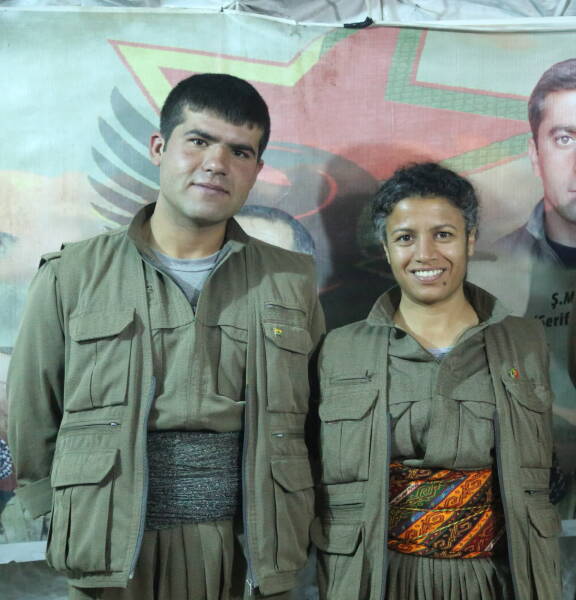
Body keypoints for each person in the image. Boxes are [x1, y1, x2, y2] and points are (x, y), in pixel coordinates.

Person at [8, 73, 324, 600]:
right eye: (198, 141)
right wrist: (60, 510)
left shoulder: (291, 280)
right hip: (111, 549)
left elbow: (314, 413)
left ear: (256, 170)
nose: (216, 164)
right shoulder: (73, 275)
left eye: (240, 152)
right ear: (159, 147)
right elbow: (33, 407)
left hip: (250, 550)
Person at [312, 162, 561, 599]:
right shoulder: (339, 350)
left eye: (443, 234)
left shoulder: (524, 342)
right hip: (382, 577)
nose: (425, 254)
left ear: (470, 239)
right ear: (386, 248)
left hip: (495, 578)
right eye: (405, 238)